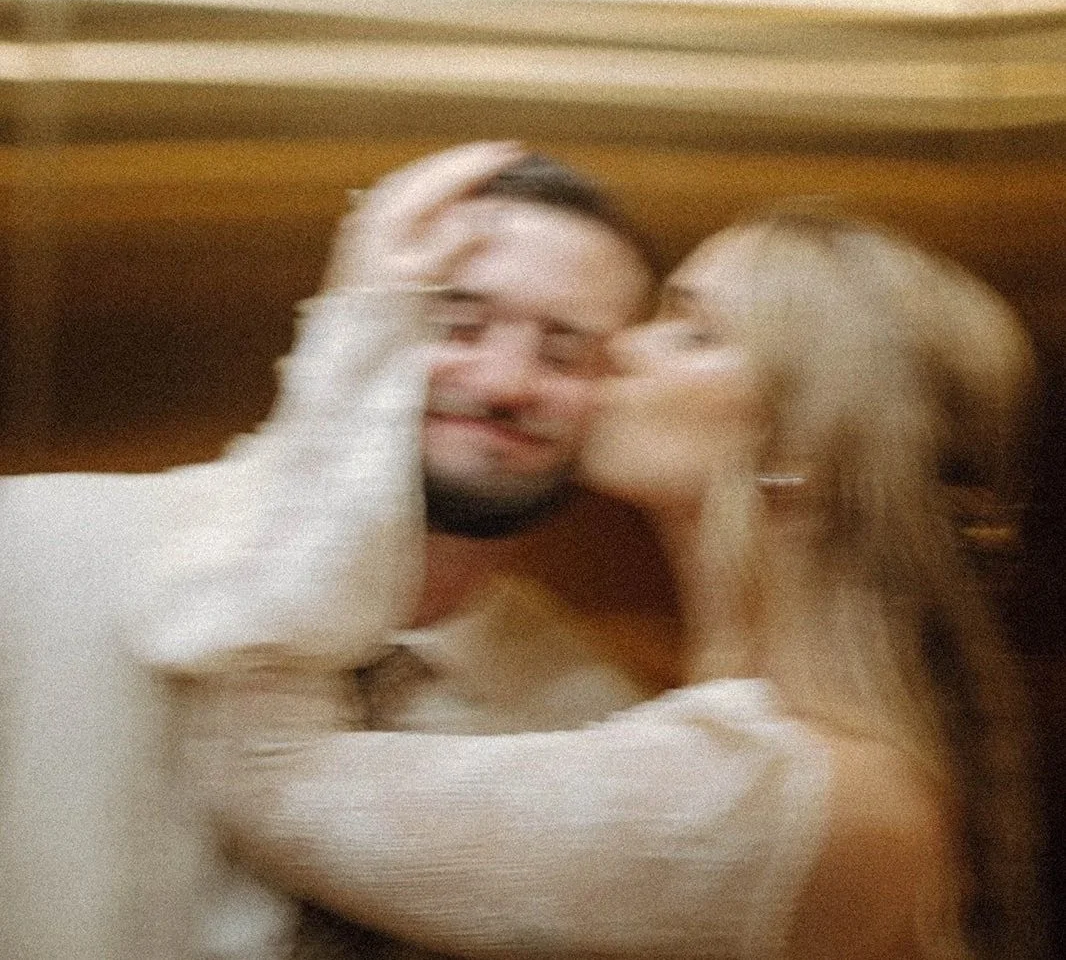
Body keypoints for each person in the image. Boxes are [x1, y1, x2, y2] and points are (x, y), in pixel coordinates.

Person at [187, 207, 1044, 960]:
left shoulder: (768, 793)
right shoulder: (747, 734)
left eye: (694, 332)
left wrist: (364, 318)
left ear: (803, 454)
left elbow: (268, 774)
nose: (619, 346)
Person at [0, 142, 667, 960]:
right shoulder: (32, 553)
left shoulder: (590, 720)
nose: (503, 383)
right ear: (357, 317)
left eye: (565, 351)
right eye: (455, 321)